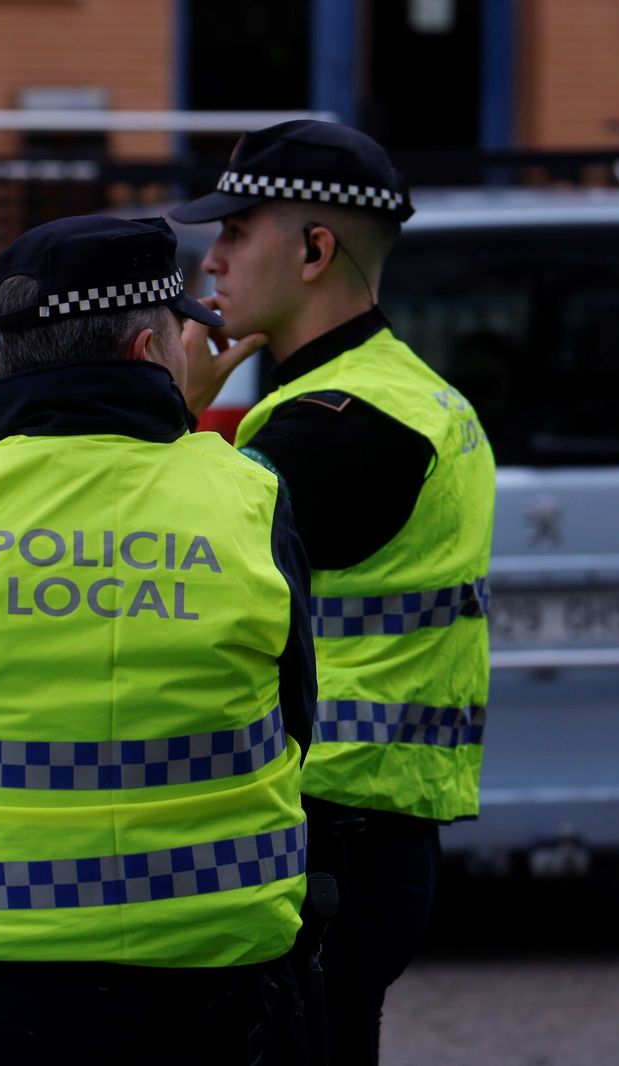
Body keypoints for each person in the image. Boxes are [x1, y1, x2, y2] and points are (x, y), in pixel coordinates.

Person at [0, 214, 316, 1066]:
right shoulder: (250, 503)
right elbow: (295, 721)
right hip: (214, 995)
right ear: (145, 351)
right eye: (179, 339)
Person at [169, 121, 497, 1066]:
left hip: (327, 844)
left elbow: (169, 569)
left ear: (316, 249)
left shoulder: (343, 427)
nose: (213, 258)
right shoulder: (395, 396)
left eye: (236, 231)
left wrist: (170, 408)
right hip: (358, 840)